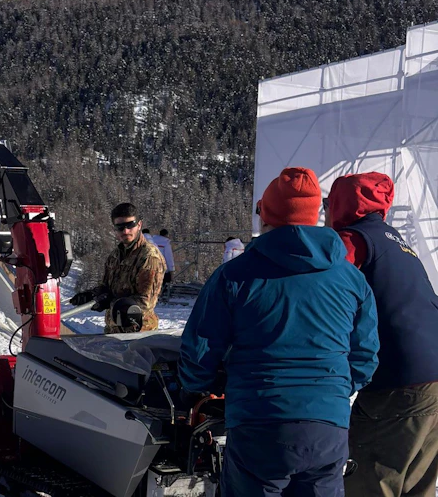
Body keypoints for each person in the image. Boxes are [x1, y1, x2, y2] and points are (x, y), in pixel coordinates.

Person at [179, 167, 379, 497]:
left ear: (266, 216)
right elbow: (365, 356)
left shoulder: (234, 276)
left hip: (259, 421)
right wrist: (332, 391)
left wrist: (206, 385)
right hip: (327, 427)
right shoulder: (351, 279)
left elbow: (200, 350)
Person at [327, 172, 438, 497]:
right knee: (416, 487)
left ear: (341, 203)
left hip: (398, 384)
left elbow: (320, 288)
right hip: (432, 381)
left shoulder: (353, 240)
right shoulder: (398, 243)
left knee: (366, 482)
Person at [69, 203, 165, 333]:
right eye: (120, 227)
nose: (125, 231)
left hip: (138, 332)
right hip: (114, 330)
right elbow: (106, 287)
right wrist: (92, 295)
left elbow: (145, 302)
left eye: (130, 225)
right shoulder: (115, 256)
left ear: (139, 225)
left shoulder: (149, 257)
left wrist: (111, 302)